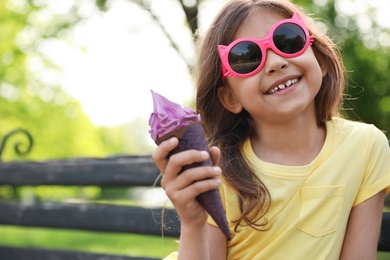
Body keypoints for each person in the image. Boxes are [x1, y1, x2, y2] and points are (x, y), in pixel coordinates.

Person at [152, 0, 390, 259]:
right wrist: (193, 225)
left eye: (289, 40)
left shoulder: (365, 147)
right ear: (231, 98)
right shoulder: (218, 173)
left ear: (319, 59)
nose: (276, 62)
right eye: (246, 57)